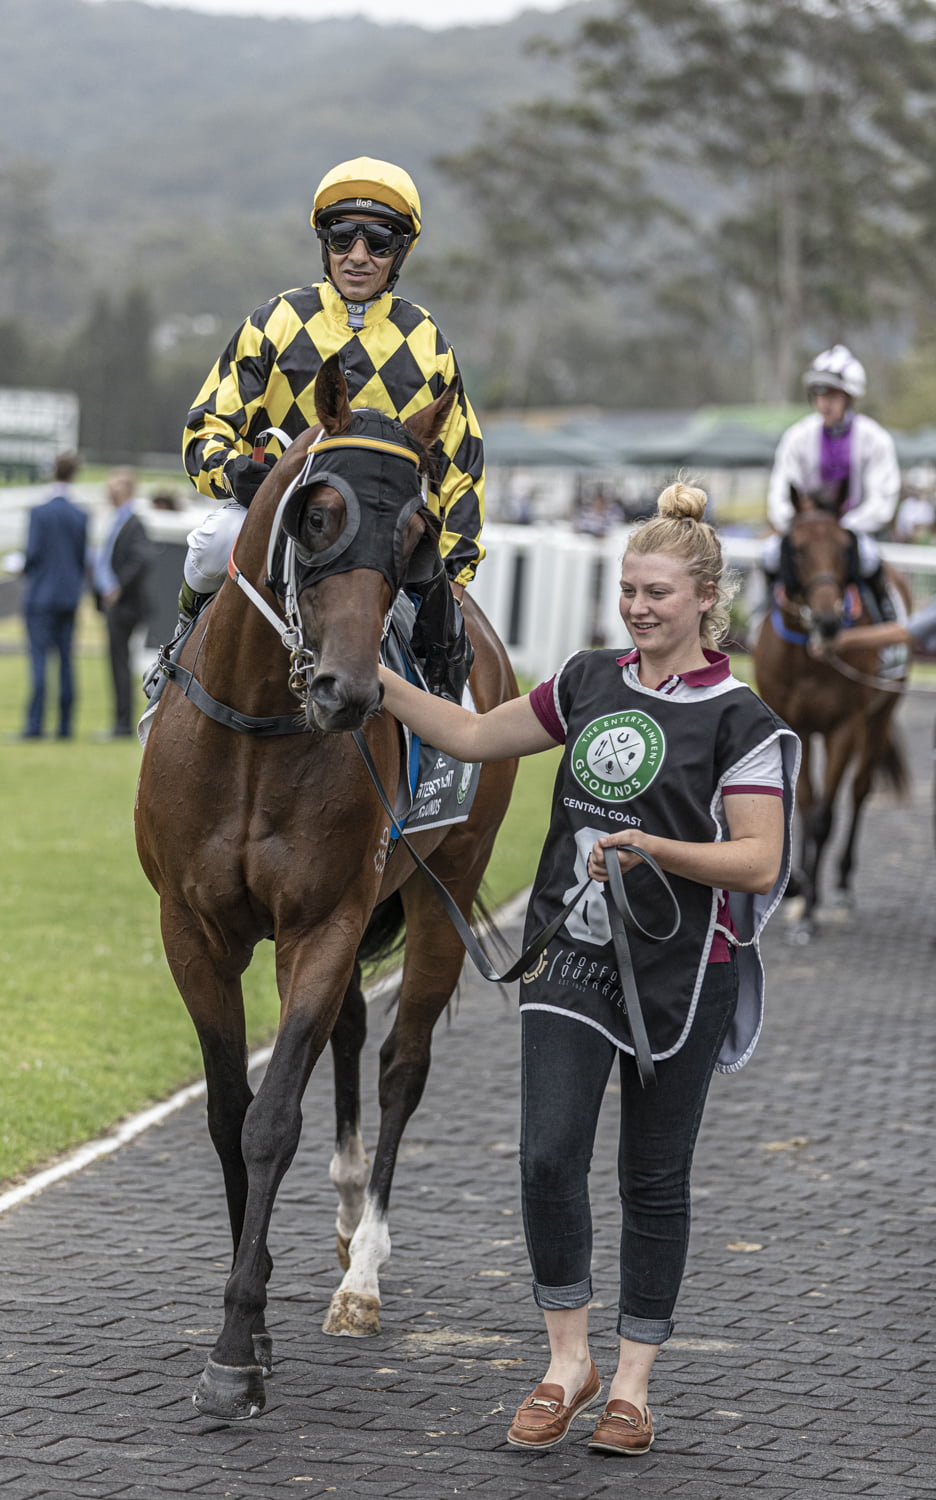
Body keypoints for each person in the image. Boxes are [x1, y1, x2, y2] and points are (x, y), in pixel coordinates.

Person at [377, 482, 799, 1458]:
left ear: (703, 600)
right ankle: (567, 1361)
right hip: (571, 950)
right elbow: (479, 736)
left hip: (686, 969)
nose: (639, 608)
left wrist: (656, 849)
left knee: (652, 1177)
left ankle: (634, 1386)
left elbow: (759, 859)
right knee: (546, 1156)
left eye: (657, 593)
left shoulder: (739, 718)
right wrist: (375, 683)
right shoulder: (585, 682)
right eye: (629, 591)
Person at [144, 155, 484, 704]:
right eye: (342, 235)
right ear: (323, 241)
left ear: (402, 252)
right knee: (213, 544)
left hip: (381, 528)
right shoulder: (274, 320)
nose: (357, 256)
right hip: (281, 514)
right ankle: (180, 647)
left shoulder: (427, 341)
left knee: (442, 625)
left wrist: (455, 573)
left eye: (378, 240)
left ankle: (448, 749)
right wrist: (237, 475)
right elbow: (205, 428)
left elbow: (461, 462)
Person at [762, 344, 902, 632]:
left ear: (849, 397)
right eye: (819, 393)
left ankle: (888, 627)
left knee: (868, 559)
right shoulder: (797, 437)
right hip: (805, 528)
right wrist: (795, 522)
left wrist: (843, 526)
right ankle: (759, 622)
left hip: (850, 530)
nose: (824, 402)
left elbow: (883, 500)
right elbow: (779, 491)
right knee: (769, 555)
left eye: (833, 394)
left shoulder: (875, 439)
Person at [18, 452, 88, 740]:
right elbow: (82, 558)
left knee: (39, 663)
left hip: (40, 597)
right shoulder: (81, 515)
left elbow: (32, 554)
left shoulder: (39, 513)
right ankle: (65, 726)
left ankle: (35, 725)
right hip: (68, 596)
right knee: (66, 662)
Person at [93, 467, 155, 738]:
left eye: (114, 486)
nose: (109, 490)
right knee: (117, 662)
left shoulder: (133, 522)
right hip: (115, 604)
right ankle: (120, 723)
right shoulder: (118, 520)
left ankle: (122, 725)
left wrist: (118, 587)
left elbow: (142, 559)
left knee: (120, 663)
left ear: (127, 489)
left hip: (125, 605)